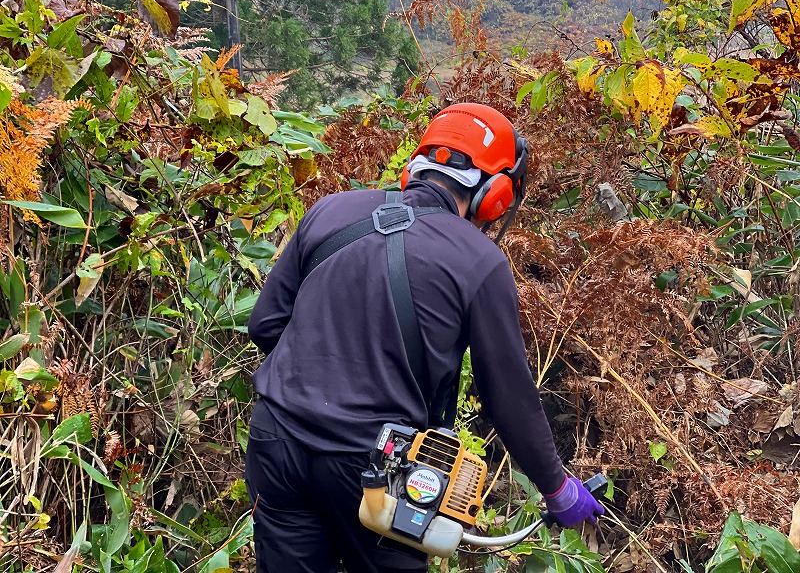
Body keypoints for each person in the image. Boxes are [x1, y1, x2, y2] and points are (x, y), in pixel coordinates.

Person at [245, 102, 604, 573]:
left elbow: (265, 325)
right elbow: (508, 399)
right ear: (494, 194)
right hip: (373, 469)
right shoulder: (479, 260)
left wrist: (321, 379)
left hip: (276, 443)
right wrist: (558, 489)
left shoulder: (330, 210)